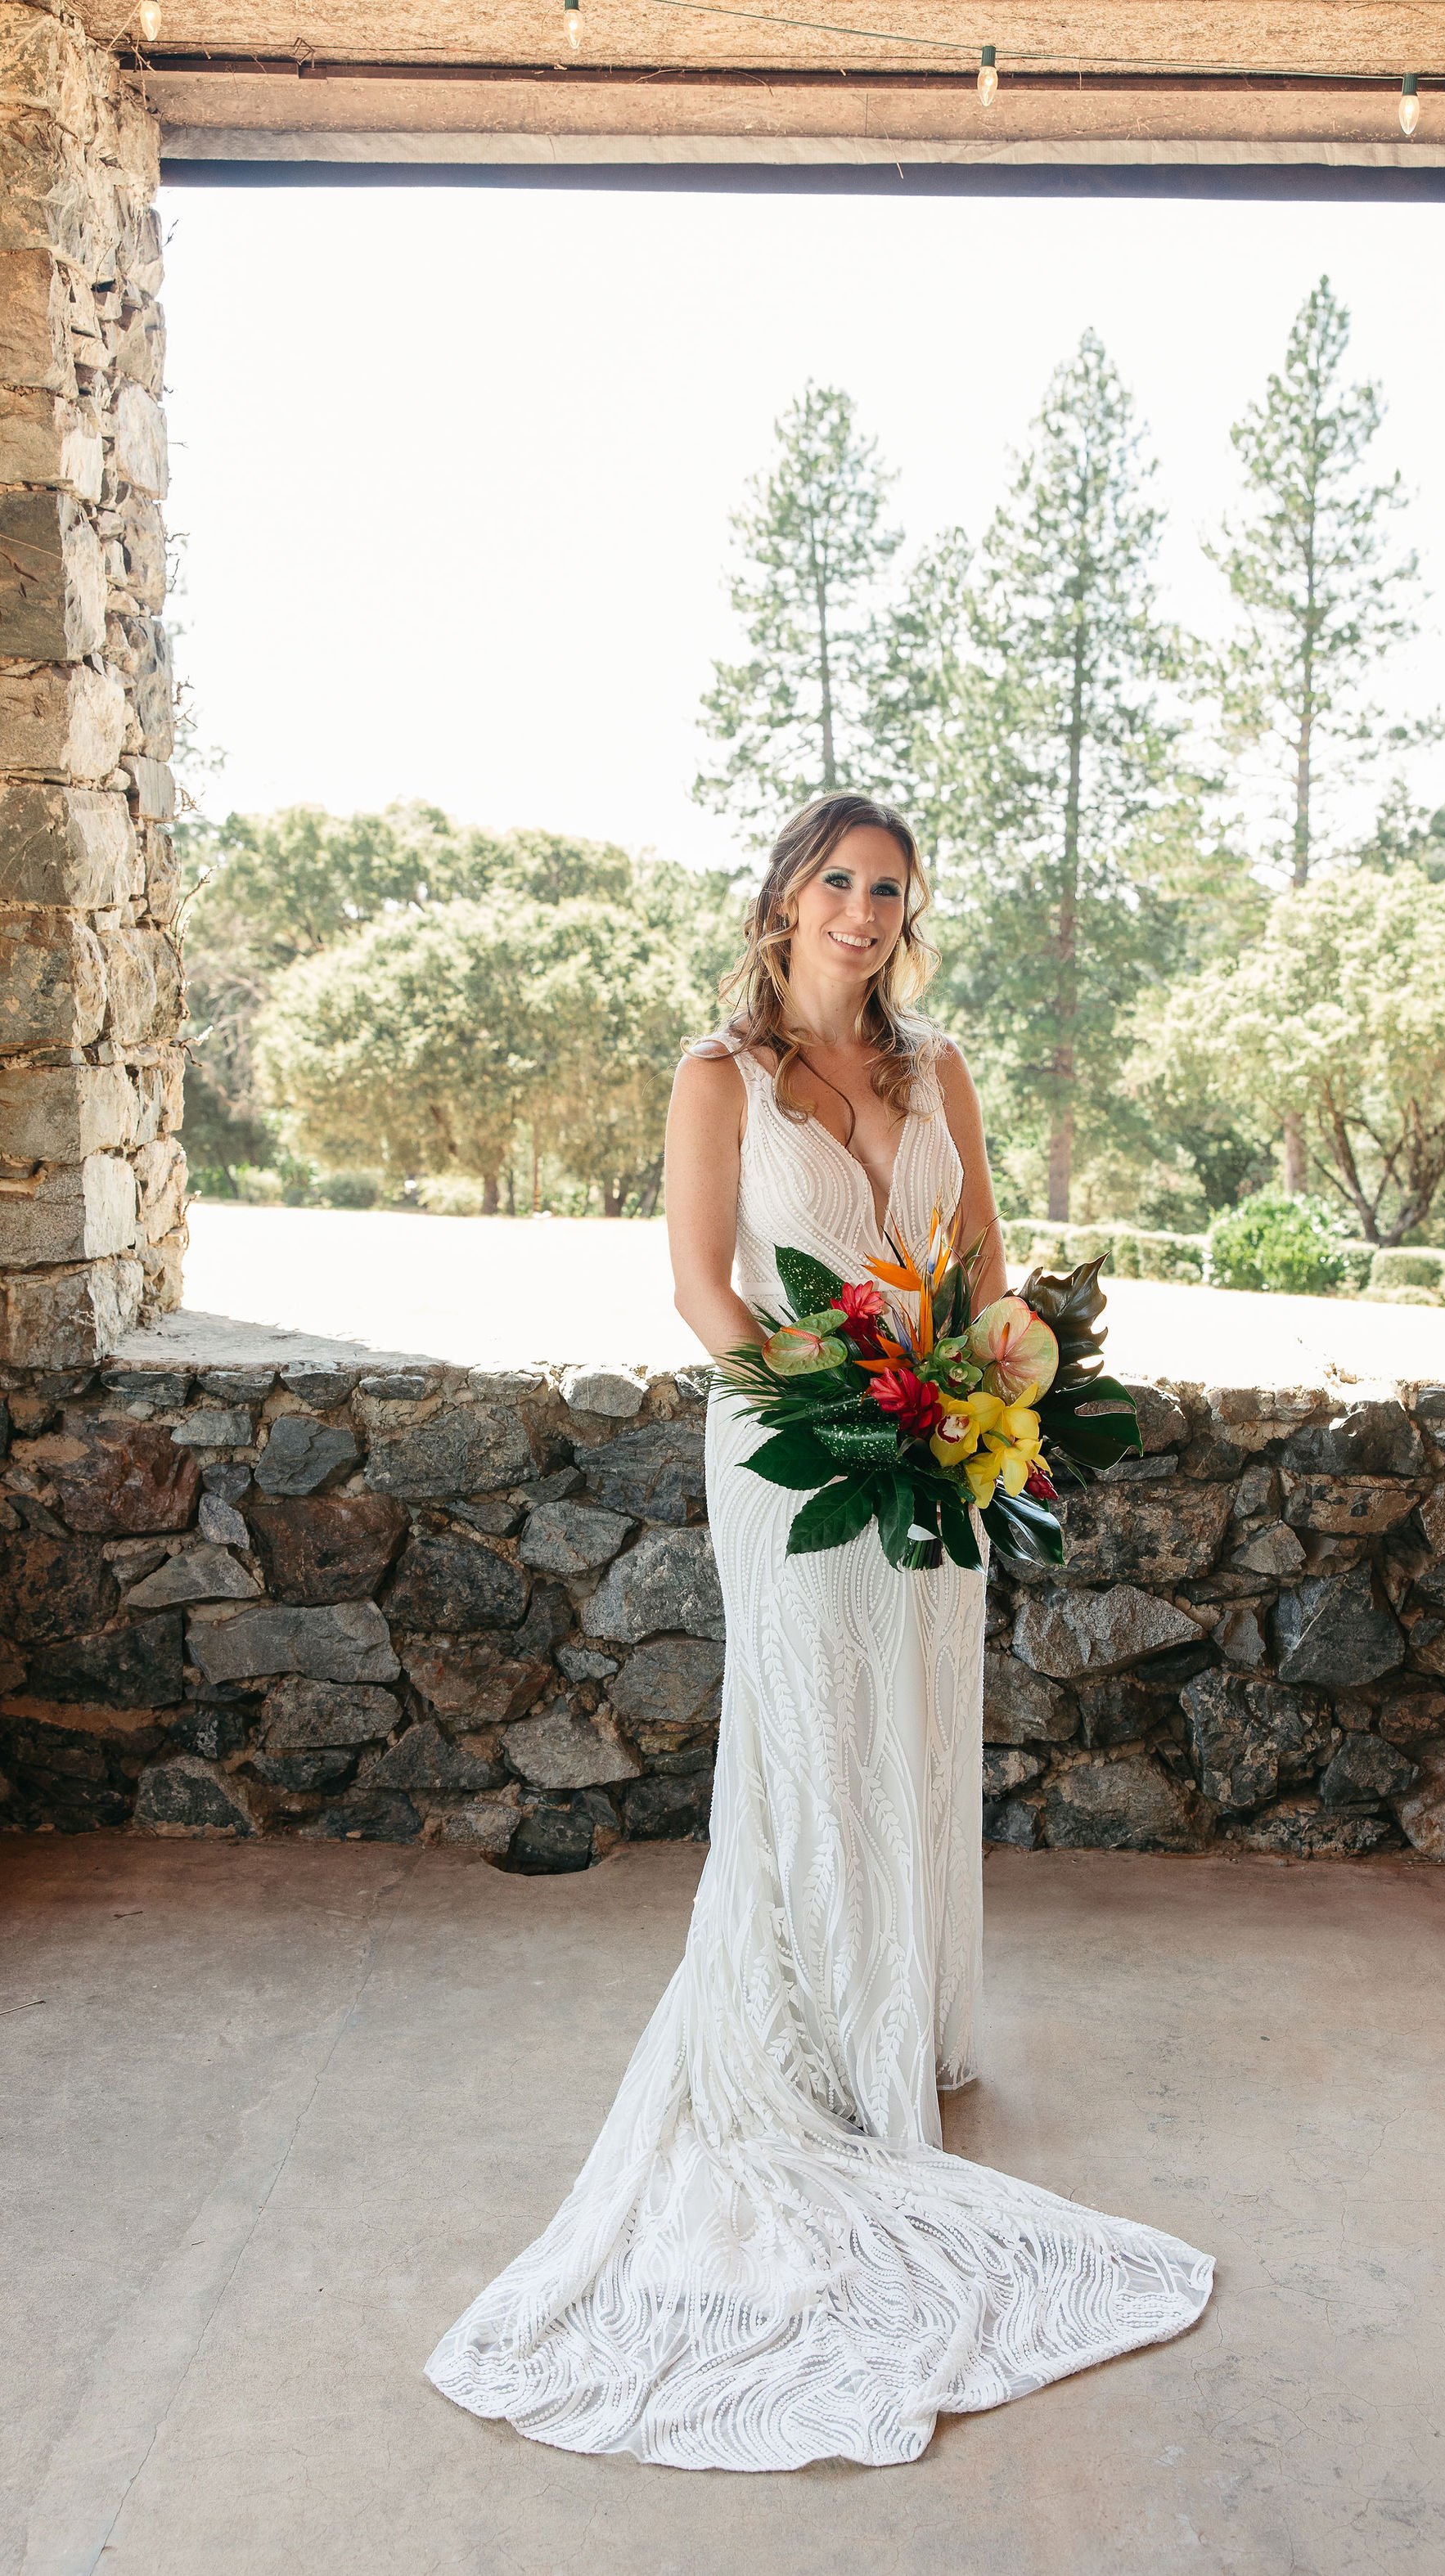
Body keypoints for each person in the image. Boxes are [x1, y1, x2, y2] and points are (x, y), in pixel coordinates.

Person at [425, 792, 1213, 2470]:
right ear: (784, 896)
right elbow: (704, 1286)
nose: (863, 909)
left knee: (917, 1716)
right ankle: (816, 2044)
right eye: (838, 881)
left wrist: (992, 1372)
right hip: (798, 1449)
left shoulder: (937, 1072)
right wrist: (834, 1388)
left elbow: (985, 1263)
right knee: (812, 1720)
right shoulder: (718, 1075)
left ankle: (903, 2032)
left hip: (942, 1450)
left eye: (890, 890)